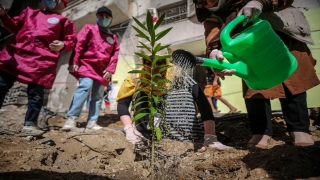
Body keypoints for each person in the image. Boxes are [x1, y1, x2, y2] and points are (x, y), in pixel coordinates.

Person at [193, 0, 319, 149]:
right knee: (254, 84)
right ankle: (261, 131)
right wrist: (213, 48)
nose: (207, 3)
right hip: (247, 45)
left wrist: (261, 2)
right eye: (201, 1)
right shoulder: (206, 11)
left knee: (291, 78)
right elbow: (212, 29)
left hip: (278, 30)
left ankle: (298, 128)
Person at [116, 47, 231, 151]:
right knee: (141, 95)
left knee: (181, 92)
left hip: (179, 133)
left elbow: (203, 103)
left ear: (166, 61)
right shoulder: (136, 77)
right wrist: (129, 129)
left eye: (159, 62)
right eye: (148, 62)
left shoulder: (177, 75)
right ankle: (142, 134)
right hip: (146, 130)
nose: (154, 68)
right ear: (143, 61)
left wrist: (210, 136)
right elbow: (123, 103)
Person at [0, 0, 76, 133]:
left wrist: (63, 45)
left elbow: (71, 41)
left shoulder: (64, 22)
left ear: (62, 3)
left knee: (36, 94)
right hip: (17, 55)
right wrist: (3, 15)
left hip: (41, 61)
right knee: (1, 86)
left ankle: (29, 124)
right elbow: (14, 26)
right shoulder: (30, 13)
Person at [62, 6, 120, 131]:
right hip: (87, 65)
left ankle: (92, 122)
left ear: (110, 20)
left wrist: (111, 69)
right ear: (96, 17)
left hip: (102, 71)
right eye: (101, 16)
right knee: (84, 88)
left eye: (107, 17)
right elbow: (79, 44)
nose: (104, 18)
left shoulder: (113, 38)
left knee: (98, 96)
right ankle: (71, 119)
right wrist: (74, 61)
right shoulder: (89, 28)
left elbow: (115, 55)